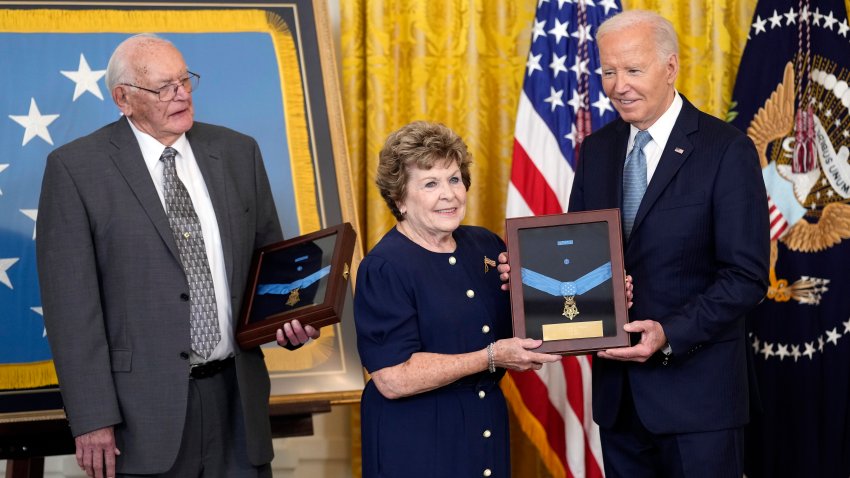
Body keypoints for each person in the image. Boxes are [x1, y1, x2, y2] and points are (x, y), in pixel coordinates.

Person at [36, 34, 319, 478]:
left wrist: (288, 318)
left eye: (185, 80)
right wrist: (92, 418)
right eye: (164, 87)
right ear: (123, 99)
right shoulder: (75, 169)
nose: (182, 94)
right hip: (141, 415)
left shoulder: (237, 152)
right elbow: (72, 310)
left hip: (237, 402)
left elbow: (270, 264)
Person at [568, 10, 769, 478]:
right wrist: (526, 273)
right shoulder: (596, 151)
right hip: (619, 402)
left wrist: (669, 334)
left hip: (699, 402)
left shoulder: (726, 149)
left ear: (671, 67)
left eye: (633, 70)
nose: (619, 85)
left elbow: (746, 277)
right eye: (609, 71)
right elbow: (580, 252)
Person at [353, 121, 562, 477]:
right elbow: (392, 378)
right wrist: (490, 357)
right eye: (430, 183)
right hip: (417, 439)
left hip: (485, 428)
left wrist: (604, 296)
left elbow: (530, 318)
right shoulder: (385, 267)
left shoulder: (485, 245)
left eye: (454, 179)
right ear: (400, 199)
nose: (449, 194)